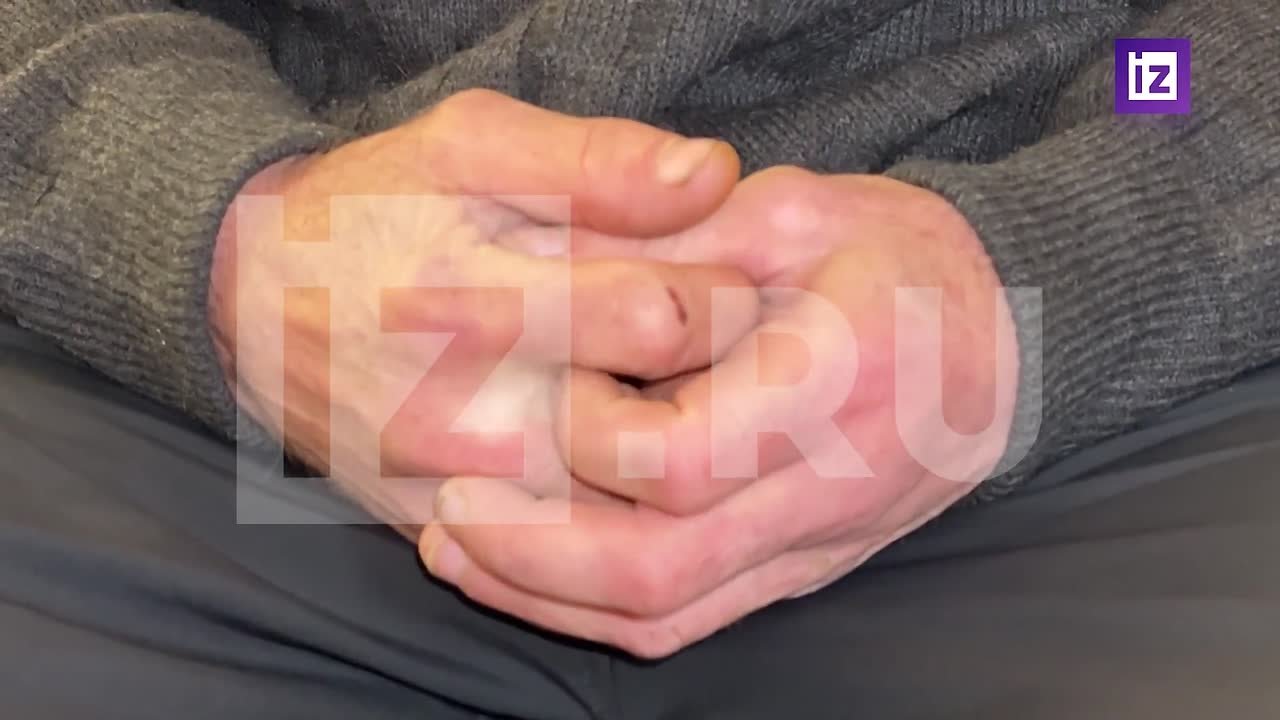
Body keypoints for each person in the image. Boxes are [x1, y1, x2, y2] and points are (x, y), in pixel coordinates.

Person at [2, 0, 1278, 717]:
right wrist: (229, 230)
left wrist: (1102, 214)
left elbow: (1197, 62)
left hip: (1067, 369)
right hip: (232, 359)